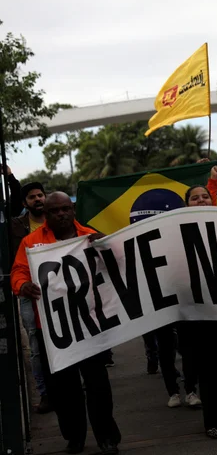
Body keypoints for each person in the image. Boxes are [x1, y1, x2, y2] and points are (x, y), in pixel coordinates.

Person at [11, 192, 121, 455]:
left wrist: (105, 246)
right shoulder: (31, 241)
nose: (61, 214)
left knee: (98, 384)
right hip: (52, 328)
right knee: (63, 388)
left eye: (65, 209)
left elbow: (118, 262)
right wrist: (22, 285)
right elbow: (18, 271)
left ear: (72, 210)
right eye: (55, 211)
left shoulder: (90, 235)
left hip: (89, 324)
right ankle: (74, 437)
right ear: (46, 215)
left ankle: (107, 437)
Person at [182, 185, 217, 438]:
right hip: (194, 312)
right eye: (195, 198)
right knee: (206, 366)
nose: (201, 200)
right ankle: (212, 420)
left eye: (205, 196)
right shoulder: (176, 232)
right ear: (187, 205)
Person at [10, 181, 51, 414]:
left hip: (58, 289)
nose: (37, 199)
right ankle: (45, 393)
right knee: (36, 343)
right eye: (32, 197)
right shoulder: (16, 226)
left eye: (40, 195)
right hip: (28, 292)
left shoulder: (58, 219)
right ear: (25, 203)